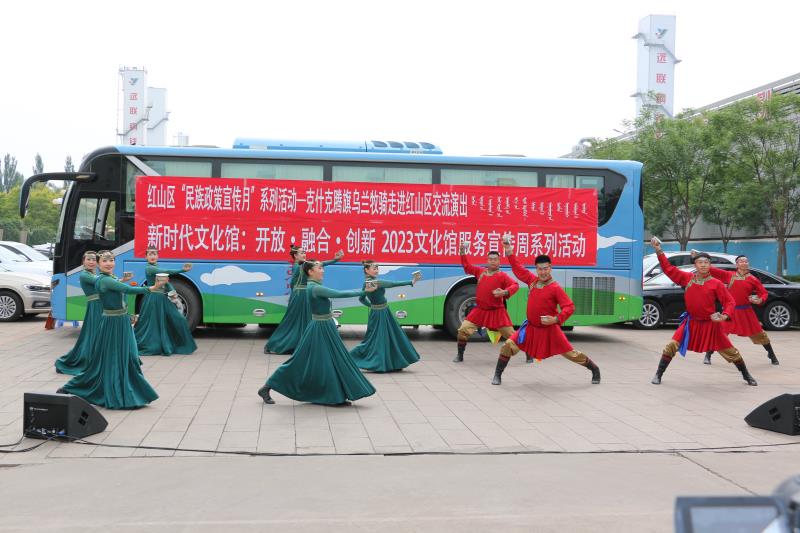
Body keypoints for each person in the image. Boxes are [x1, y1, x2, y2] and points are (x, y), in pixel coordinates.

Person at [258, 260, 377, 406]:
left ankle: (335, 395)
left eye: (322, 267)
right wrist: (365, 291)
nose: (323, 270)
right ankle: (267, 387)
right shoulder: (315, 288)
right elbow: (341, 294)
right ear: (310, 272)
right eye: (319, 268)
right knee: (301, 361)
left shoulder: (314, 286)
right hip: (320, 328)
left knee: (329, 360)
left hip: (324, 327)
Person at [57, 251, 162, 409]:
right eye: (104, 261)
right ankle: (74, 387)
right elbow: (128, 290)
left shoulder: (109, 278)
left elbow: (120, 295)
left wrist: (128, 314)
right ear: (99, 264)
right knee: (111, 358)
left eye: (111, 260)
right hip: (114, 323)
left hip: (120, 321)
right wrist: (152, 287)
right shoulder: (104, 279)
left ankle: (128, 385)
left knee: (127, 355)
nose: (109, 263)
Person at [649, 238, 757, 386]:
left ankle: (746, 375)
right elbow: (668, 269)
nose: (704, 265)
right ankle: (658, 374)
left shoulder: (716, 283)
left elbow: (730, 302)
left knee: (731, 352)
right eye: (700, 262)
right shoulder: (687, 278)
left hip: (711, 324)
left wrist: (724, 316)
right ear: (695, 265)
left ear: (710, 265)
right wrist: (658, 250)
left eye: (706, 262)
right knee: (671, 346)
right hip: (690, 323)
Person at [492, 242, 601, 386]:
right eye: (540, 269)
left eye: (545, 268)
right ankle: (497, 375)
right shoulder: (532, 281)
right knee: (508, 345)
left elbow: (569, 307)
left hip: (550, 330)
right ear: (536, 269)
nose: (543, 272)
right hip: (530, 328)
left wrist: (556, 319)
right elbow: (518, 268)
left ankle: (594, 369)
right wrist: (509, 251)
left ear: (550, 268)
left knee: (570, 353)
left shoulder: (555, 288)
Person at [694, 252, 779, 365]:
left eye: (746, 261)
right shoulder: (729, 275)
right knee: (719, 333)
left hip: (746, 312)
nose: (744, 263)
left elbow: (763, 293)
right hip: (730, 311)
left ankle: (772, 355)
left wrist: (760, 300)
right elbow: (712, 270)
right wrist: (699, 258)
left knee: (759, 333)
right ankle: (708, 355)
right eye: (741, 261)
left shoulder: (753, 279)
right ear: (737, 264)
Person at [265, 246, 344, 355]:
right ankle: (277, 344)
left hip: (302, 295)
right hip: (300, 296)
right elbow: (316, 266)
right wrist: (334, 260)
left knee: (302, 321)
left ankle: (303, 345)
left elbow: (318, 265)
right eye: (301, 253)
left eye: (304, 252)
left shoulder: (303, 265)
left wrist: (335, 260)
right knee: (294, 322)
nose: (304, 254)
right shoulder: (298, 266)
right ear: (295, 255)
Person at [349, 261, 423, 372]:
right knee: (382, 338)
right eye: (374, 268)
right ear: (366, 270)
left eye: (377, 268)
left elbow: (361, 299)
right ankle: (355, 358)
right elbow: (392, 284)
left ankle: (389, 363)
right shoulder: (374, 282)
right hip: (381, 313)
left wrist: (372, 306)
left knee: (382, 337)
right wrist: (411, 282)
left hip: (379, 312)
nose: (376, 270)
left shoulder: (366, 283)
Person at [453, 243, 519, 363]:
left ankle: (528, 353)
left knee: (512, 336)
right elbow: (467, 267)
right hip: (480, 310)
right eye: (490, 259)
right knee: (463, 330)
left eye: (495, 259)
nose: (493, 261)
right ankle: (460, 354)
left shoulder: (502, 276)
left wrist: (504, 292)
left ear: (499, 261)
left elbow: (515, 285)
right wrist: (462, 252)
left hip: (497, 312)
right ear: (487, 261)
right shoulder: (480, 271)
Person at [134, 246, 196, 356]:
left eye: (154, 254)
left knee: (178, 319)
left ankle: (174, 343)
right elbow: (166, 272)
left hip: (162, 298)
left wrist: (173, 292)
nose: (152, 256)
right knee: (153, 325)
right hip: (152, 299)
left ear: (158, 256)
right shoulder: (149, 268)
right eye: (150, 254)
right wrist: (182, 270)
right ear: (146, 257)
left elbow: (166, 282)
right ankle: (154, 344)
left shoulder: (156, 267)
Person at [54, 251, 104, 375]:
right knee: (95, 333)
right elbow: (103, 282)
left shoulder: (95, 274)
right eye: (89, 259)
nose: (91, 262)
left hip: (100, 305)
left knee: (98, 333)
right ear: (83, 262)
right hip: (95, 306)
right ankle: (86, 360)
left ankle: (99, 358)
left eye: (94, 260)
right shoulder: (85, 275)